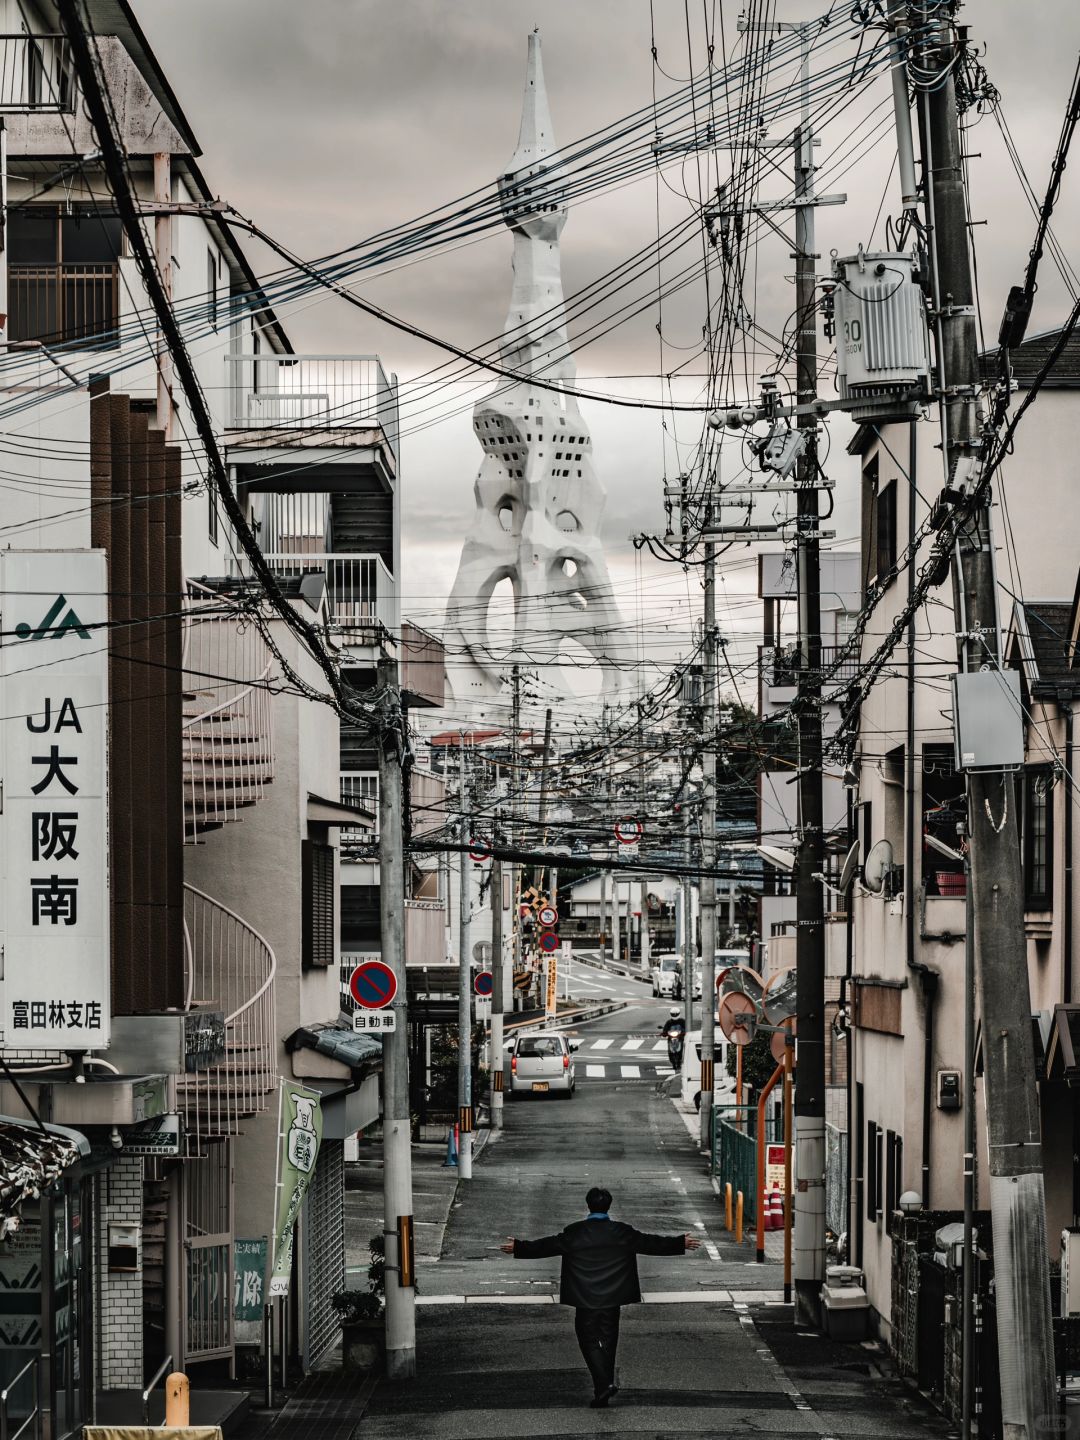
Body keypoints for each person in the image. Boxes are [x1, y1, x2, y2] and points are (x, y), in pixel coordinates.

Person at [500, 1185, 700, 1407]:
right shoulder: (622, 1232)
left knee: (588, 1340)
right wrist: (679, 1242)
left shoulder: (575, 1232)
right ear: (608, 1206)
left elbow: (547, 1246)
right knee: (608, 1340)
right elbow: (650, 1242)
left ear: (588, 1205)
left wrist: (518, 1247)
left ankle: (602, 1387)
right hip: (613, 1297)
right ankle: (603, 1388)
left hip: (584, 1298)